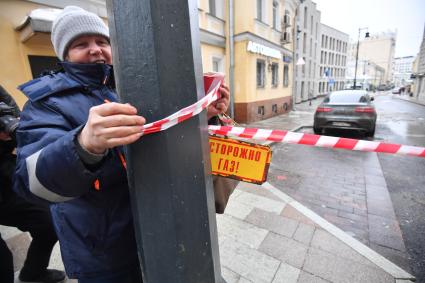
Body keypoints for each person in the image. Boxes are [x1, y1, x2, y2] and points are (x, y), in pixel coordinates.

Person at [14, 6, 235, 282]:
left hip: (165, 229)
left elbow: (166, 137)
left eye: (102, 41)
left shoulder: (135, 82)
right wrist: (83, 145)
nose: (95, 49)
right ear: (64, 54)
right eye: (81, 44)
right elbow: (30, 182)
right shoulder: (46, 103)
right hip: (105, 251)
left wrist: (205, 115)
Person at [0, 85, 66, 283]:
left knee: (48, 223)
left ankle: (33, 272)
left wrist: (10, 134)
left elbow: (15, 119)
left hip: (5, 176)